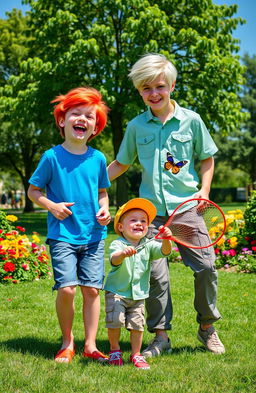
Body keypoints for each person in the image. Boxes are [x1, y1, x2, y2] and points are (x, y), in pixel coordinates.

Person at [108, 53, 225, 356]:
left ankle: (207, 327)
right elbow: (121, 163)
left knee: (207, 268)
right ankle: (161, 336)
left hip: (187, 209)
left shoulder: (192, 120)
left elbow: (207, 157)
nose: (154, 93)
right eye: (146, 88)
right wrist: (89, 184)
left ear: (172, 85)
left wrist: (205, 190)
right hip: (150, 216)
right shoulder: (136, 126)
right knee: (156, 276)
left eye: (159, 86)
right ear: (139, 91)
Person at [28, 87, 111, 363]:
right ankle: (67, 341)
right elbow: (33, 191)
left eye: (89, 116)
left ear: (94, 128)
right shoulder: (51, 157)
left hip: (94, 234)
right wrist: (52, 205)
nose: (83, 119)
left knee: (91, 289)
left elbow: (102, 191)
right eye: (76, 114)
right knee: (67, 288)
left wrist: (105, 208)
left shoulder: (98, 159)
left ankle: (90, 345)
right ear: (63, 121)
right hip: (62, 234)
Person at [104, 198, 172, 369]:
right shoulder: (117, 244)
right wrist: (123, 254)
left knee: (137, 326)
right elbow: (114, 259)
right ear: (120, 227)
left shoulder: (148, 245)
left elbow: (164, 252)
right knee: (115, 321)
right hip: (117, 293)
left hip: (138, 295)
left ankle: (136, 354)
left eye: (143, 221)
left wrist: (166, 239)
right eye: (133, 220)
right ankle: (114, 350)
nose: (139, 224)